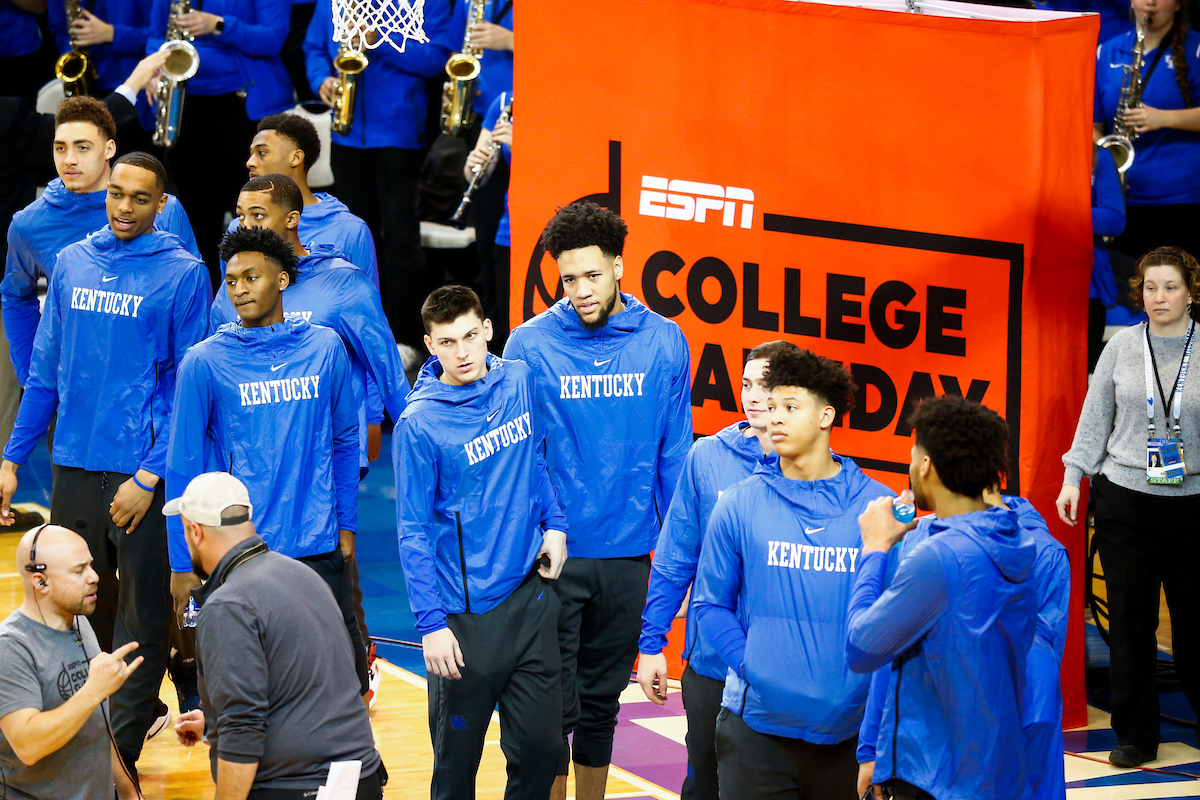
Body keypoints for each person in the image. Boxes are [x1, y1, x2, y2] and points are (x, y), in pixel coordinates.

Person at [0, 151, 212, 780]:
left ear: (160, 205)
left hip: (140, 475)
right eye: (116, 194)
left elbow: (185, 389)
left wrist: (150, 476)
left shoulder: (182, 274)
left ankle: (119, 759)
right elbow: (44, 374)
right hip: (73, 466)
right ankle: (85, 741)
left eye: (139, 198)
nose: (123, 207)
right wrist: (12, 457)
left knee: (143, 619)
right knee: (76, 608)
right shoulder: (70, 263)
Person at [503, 201, 693, 800]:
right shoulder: (528, 345)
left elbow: (674, 456)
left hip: (629, 555)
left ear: (618, 266)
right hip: (553, 556)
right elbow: (518, 456)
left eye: (592, 275)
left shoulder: (665, 342)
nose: (580, 291)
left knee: (600, 704)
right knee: (550, 706)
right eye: (568, 279)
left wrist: (676, 555)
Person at [204, 174, 409, 708]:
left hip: (324, 448)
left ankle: (354, 660)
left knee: (333, 557)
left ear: (291, 219)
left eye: (257, 215)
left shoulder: (341, 283)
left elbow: (386, 364)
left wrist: (406, 436)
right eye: (241, 215)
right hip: (250, 463)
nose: (246, 224)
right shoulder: (232, 293)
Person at [168, 224, 369, 699]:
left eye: (251, 277)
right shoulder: (204, 362)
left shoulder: (324, 348)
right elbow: (183, 467)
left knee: (345, 687)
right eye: (232, 280)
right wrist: (181, 563)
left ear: (282, 280)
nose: (239, 289)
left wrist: (347, 525)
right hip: (240, 554)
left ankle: (358, 775)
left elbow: (344, 440)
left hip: (318, 547)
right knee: (250, 696)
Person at [688, 348, 890, 799]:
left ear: (826, 416)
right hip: (754, 734)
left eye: (790, 407)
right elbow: (710, 604)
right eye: (772, 406)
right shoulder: (738, 503)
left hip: (848, 739)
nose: (774, 417)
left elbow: (893, 628)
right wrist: (750, 663)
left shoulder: (877, 508)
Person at [395, 285, 566, 798]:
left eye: (471, 336)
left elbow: (536, 459)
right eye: (447, 342)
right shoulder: (419, 423)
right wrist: (430, 624)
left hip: (530, 601)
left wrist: (554, 524)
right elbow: (412, 531)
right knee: (455, 772)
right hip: (464, 627)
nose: (463, 352)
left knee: (541, 753)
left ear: (489, 330)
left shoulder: (518, 379)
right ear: (429, 345)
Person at [846, 395, 1036, 800]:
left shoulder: (940, 558)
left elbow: (861, 648)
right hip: (994, 770)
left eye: (914, 452)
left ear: (927, 465)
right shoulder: (1016, 539)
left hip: (936, 778)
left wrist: (875, 548)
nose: (911, 463)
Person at [1057, 245, 1200, 766]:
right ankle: (1136, 735)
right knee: (1130, 625)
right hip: (1124, 500)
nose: (1159, 297)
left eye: (1170, 287)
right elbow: (1095, 417)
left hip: (1192, 506)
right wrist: (1074, 475)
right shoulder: (1120, 348)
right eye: (1150, 287)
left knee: (1194, 626)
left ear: (1191, 293)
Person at [636, 340, 793, 800]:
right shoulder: (708, 458)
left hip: (784, 671)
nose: (753, 396)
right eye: (747, 384)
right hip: (710, 667)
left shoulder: (813, 470)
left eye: (767, 385)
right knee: (704, 784)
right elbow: (674, 558)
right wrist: (651, 645)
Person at [167, 472, 385, 799]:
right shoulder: (304, 576)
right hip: (363, 778)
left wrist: (229, 723)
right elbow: (309, 686)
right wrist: (213, 719)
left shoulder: (227, 604)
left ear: (194, 532)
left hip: (299, 787)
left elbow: (242, 729)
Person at [856, 488, 1070, 800]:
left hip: (972, 768)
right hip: (927, 761)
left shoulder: (1042, 555)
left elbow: (1038, 682)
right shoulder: (920, 539)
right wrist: (871, 749)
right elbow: (892, 655)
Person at [3, 94, 198, 391]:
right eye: (60, 148)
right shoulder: (29, 224)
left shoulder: (166, 210)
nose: (69, 159)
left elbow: (194, 301)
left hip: (153, 391)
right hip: (74, 391)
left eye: (82, 148)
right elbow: (16, 296)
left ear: (109, 149)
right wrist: (32, 375)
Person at [304, 0, 454, 344]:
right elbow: (313, 46)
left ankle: (404, 337)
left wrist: (379, 40)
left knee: (401, 241)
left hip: (399, 136)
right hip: (347, 134)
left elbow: (437, 60)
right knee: (353, 239)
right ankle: (356, 332)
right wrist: (320, 79)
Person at [148, 0, 293, 279]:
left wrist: (218, 25)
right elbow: (155, 34)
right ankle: (204, 300)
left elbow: (273, 38)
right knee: (196, 217)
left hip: (242, 107)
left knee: (251, 213)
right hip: (185, 105)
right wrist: (156, 70)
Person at [0, 524, 142, 800]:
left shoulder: (79, 622)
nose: (94, 577)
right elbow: (28, 746)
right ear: (40, 582)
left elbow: (97, 724)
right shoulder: (11, 647)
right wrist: (94, 691)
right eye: (79, 571)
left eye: (90, 565)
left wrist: (128, 791)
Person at [1095, 0, 1200, 260]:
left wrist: (1162, 118)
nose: (1150, 2)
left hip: (1181, 199)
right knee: (1128, 286)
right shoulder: (1107, 51)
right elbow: (1092, 124)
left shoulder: (1196, 49)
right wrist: (1108, 160)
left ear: (1178, 5)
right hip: (1122, 200)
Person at [244, 112, 379, 288]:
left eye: (262, 152)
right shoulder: (239, 227)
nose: (250, 162)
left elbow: (363, 307)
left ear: (296, 158)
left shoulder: (350, 231)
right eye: (251, 153)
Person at [47, 0, 157, 144]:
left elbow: (157, 38)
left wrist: (112, 34)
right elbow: (61, 31)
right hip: (91, 89)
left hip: (138, 95)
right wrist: (74, 56)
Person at [463, 92, 512, 348]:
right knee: (508, 327)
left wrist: (522, 144)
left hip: (558, 226)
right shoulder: (505, 102)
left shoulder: (571, 99)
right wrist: (474, 166)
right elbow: (477, 175)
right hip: (510, 232)